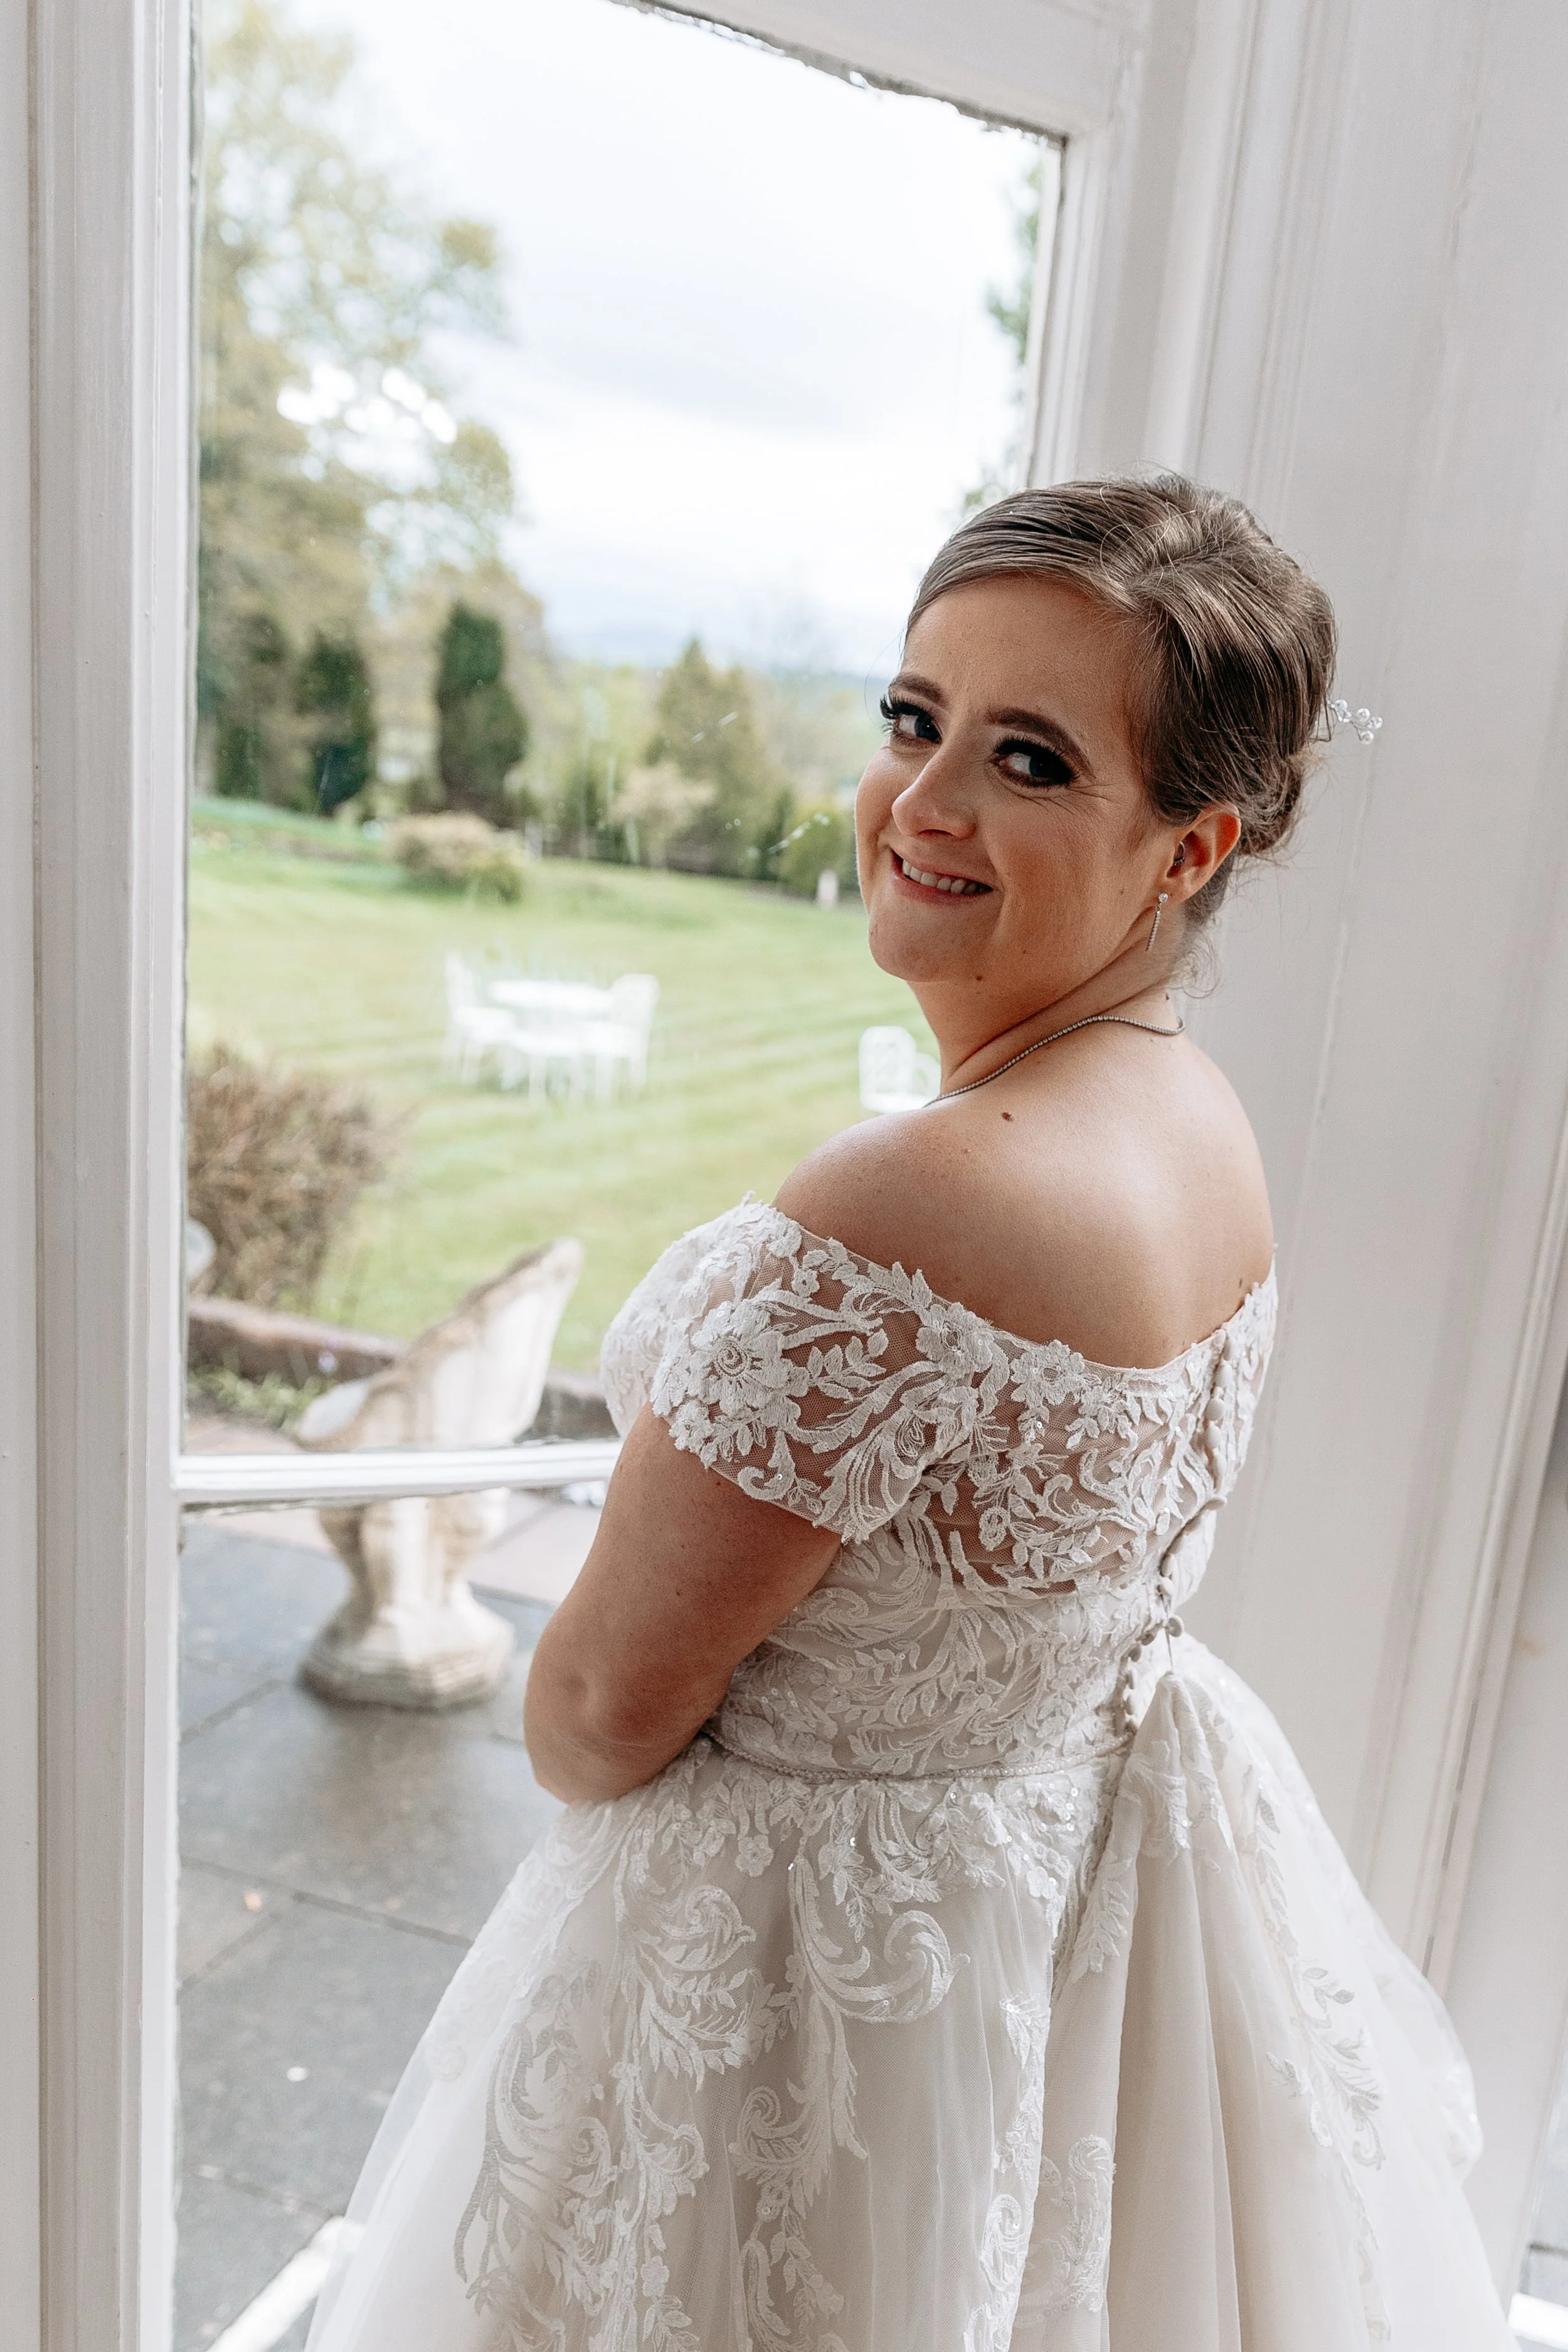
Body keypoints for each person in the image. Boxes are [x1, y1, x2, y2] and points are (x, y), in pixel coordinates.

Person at [307, 477, 1515, 2350]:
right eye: (910, 717)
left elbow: (594, 1713)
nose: (923, 803)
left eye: (1027, 758)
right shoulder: (1196, 1127)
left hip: (811, 2000)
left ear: (1188, 846)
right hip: (1032, 1914)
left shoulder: (911, 1207)